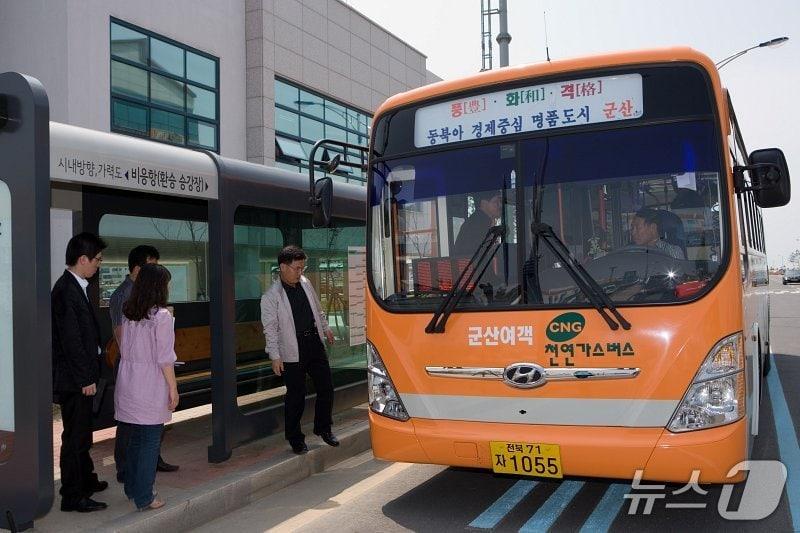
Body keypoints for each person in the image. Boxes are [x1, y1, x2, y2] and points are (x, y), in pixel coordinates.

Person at [109, 245, 179, 484]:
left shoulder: (131, 310)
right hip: (147, 379)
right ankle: (141, 489)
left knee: (139, 436)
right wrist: (173, 387)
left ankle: (133, 481)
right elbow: (164, 357)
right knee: (142, 436)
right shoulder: (159, 315)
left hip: (132, 377)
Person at [260, 245, 338, 455]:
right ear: (283, 267)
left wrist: (326, 328)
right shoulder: (271, 296)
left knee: (326, 388)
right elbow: (271, 330)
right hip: (291, 350)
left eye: (302, 267)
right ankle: (295, 438)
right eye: (296, 268)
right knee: (296, 396)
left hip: (313, 343)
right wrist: (275, 356)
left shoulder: (305, 283)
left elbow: (318, 310)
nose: (300, 272)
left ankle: (323, 428)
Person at [52, 232, 108, 513]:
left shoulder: (77, 286)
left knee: (82, 434)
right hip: (75, 380)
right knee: (75, 438)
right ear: (82, 259)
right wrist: (86, 378)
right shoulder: (64, 290)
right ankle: (72, 495)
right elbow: (70, 341)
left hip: (81, 376)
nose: (99, 264)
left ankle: (85, 480)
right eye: (97, 259)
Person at [453, 190, 503, 256]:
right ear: (484, 203)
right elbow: (481, 251)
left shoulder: (475, 219)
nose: (500, 205)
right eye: (496, 202)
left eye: (500, 202)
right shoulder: (479, 222)